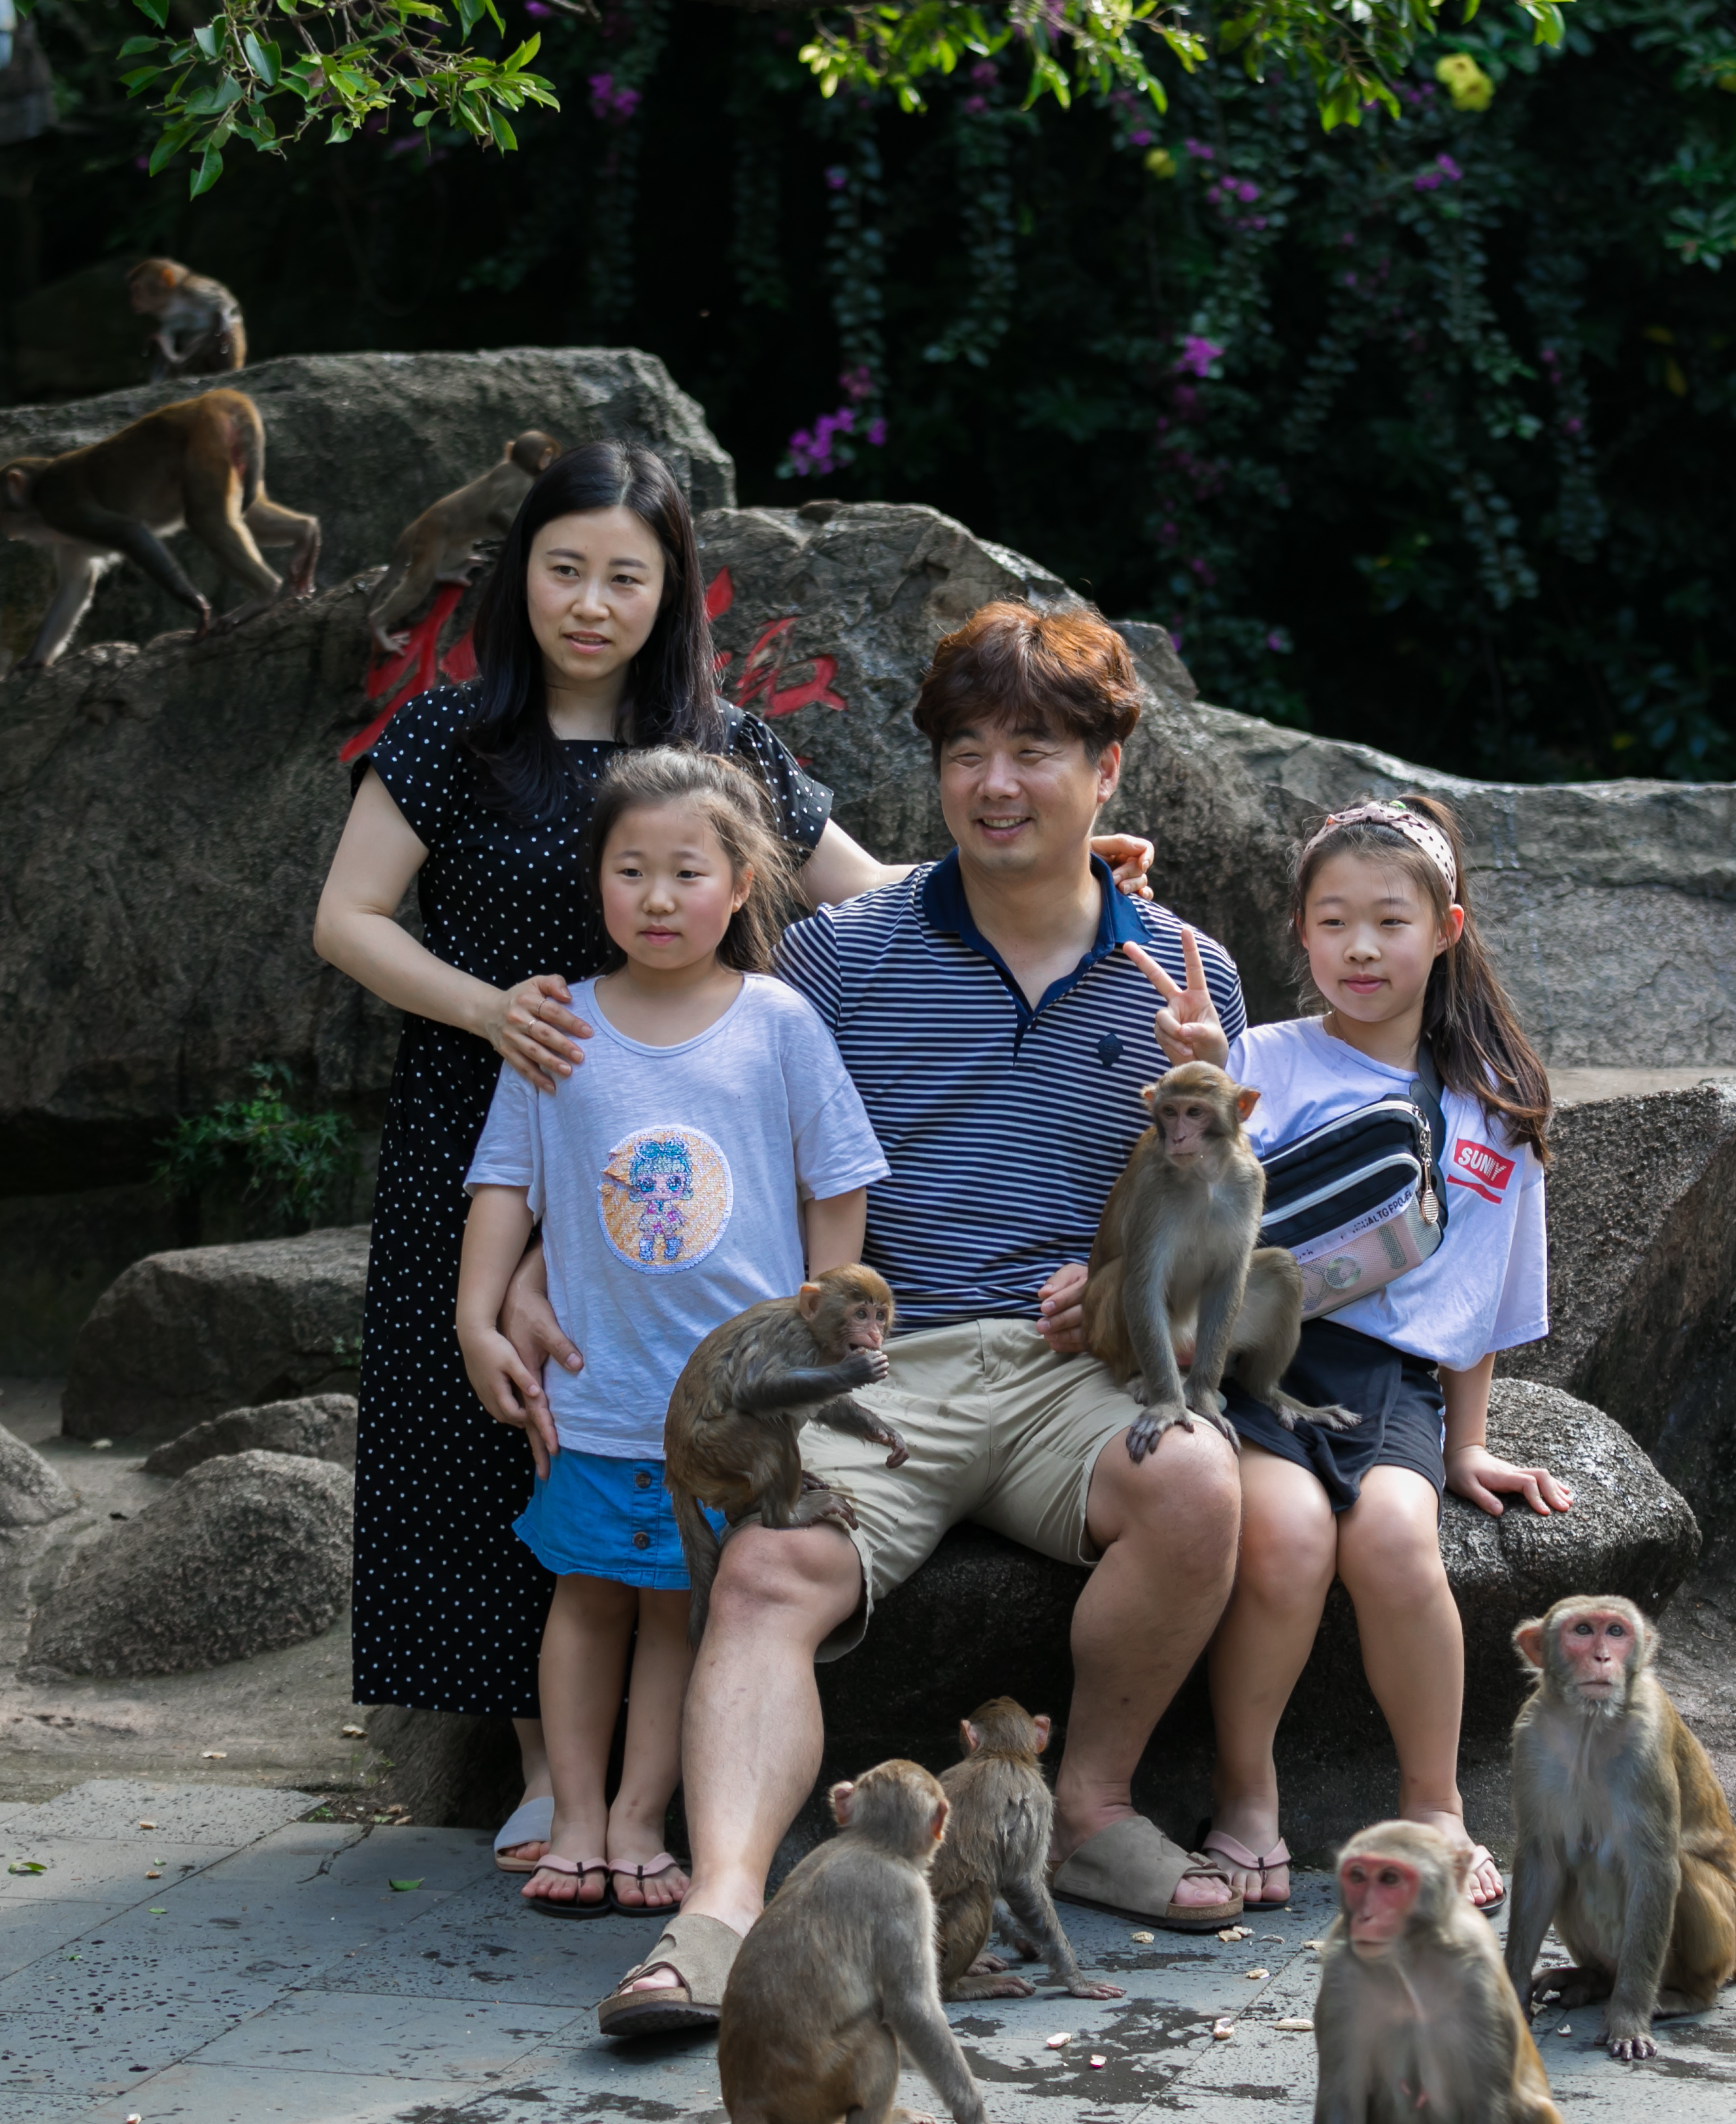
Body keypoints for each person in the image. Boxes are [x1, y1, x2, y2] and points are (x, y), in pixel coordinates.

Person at [312, 444, 1146, 1879]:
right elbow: (350, 918)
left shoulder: (729, 746)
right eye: (563, 569)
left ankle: (630, 1804)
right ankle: (539, 1771)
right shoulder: (452, 734)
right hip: (509, 1098)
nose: (591, 603)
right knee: (508, 1430)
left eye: (625, 576)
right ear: (517, 578)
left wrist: (1061, 869)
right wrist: (491, 1010)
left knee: (639, 1451)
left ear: (671, 592)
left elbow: (874, 891)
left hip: (690, 1145)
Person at [564, 598, 1252, 2036]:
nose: (998, 784)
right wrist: (524, 1272)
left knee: (1196, 1482)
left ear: (1107, 770)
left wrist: (1136, 1240)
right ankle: (722, 1912)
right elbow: (687, 1115)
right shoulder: (844, 955)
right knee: (764, 1570)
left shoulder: (1185, 975)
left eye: (1037, 751)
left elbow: (1209, 1234)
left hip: (1074, 1368)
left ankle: (1090, 1810)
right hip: (881, 1360)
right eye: (968, 752)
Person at [455, 748, 887, 1916]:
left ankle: (643, 1819)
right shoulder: (560, 1026)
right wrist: (476, 1318)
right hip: (594, 1396)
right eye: (630, 869)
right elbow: (504, 1186)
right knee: (588, 1599)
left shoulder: (780, 1023)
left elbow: (837, 1177)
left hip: (726, 1415)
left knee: (678, 1611)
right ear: (596, 879)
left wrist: (823, 1327)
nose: (657, 898)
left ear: (741, 885)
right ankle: (576, 1816)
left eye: (687, 872)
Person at [1199, 793, 1573, 1914]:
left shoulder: (1493, 1107)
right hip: (1261, 1363)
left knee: (1402, 1544)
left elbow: (1478, 1300)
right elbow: (1197, 1224)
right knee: (1286, 1540)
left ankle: (1436, 1805)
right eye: (1334, 922)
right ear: (1301, 933)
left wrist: (1468, 1446)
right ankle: (1248, 1797)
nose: (1360, 948)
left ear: (1447, 930)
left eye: (1391, 921)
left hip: (1388, 1381)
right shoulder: (1259, 1060)